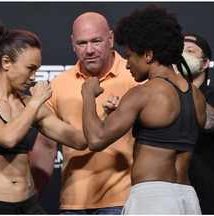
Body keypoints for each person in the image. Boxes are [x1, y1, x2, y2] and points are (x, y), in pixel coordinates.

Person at [81, 5, 206, 214]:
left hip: (153, 199)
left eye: (130, 56)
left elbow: (95, 139)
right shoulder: (196, 95)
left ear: (147, 55)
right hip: (187, 199)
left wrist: (87, 95)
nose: (128, 65)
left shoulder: (143, 94)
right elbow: (207, 122)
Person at [0, 21, 87, 214]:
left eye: (37, 70)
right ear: (7, 63)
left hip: (28, 206)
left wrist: (100, 109)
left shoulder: (27, 102)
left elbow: (78, 141)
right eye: (30, 68)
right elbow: (7, 137)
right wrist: (37, 101)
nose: (34, 77)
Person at [30, 12, 140, 214]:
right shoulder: (59, 84)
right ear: (73, 43)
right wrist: (32, 199)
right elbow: (46, 147)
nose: (89, 50)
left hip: (123, 201)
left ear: (111, 38)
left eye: (96, 41)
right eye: (82, 43)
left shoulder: (135, 76)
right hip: (73, 203)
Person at [179, 33, 214, 214]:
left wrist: (183, 84)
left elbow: (208, 122)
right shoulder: (166, 97)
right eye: (179, 51)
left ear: (205, 63)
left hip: (204, 197)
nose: (182, 56)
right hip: (169, 194)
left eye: (190, 51)